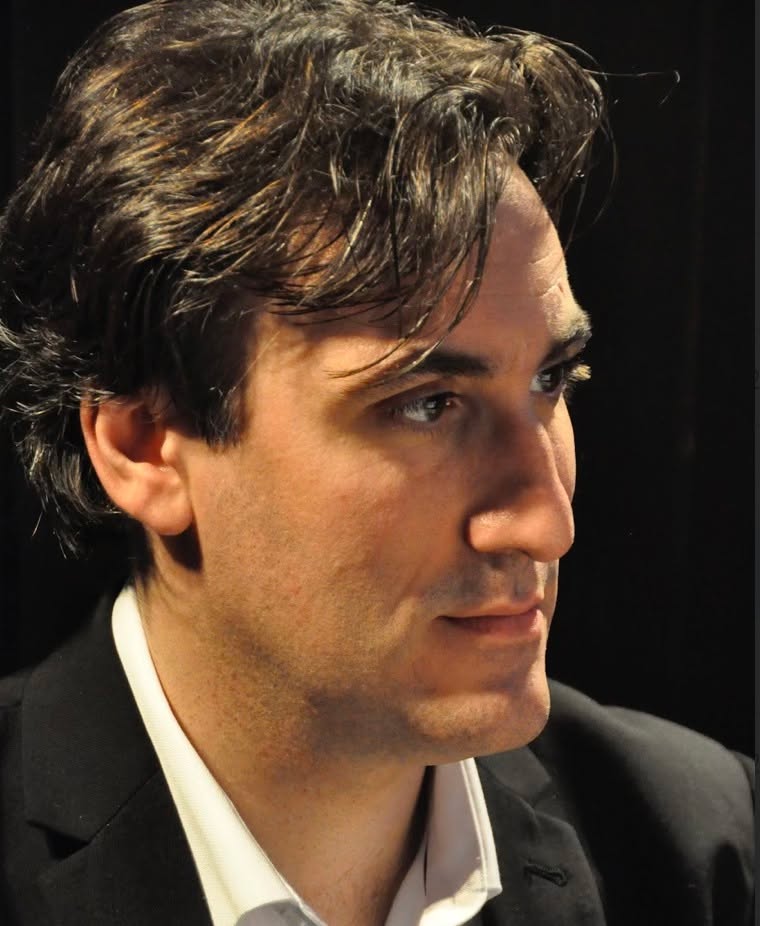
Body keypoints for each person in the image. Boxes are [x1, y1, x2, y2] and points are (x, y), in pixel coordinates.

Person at [0, 1, 752, 924]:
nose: (546, 523)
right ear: (145, 448)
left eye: (552, 379)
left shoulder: (703, 841)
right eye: (428, 405)